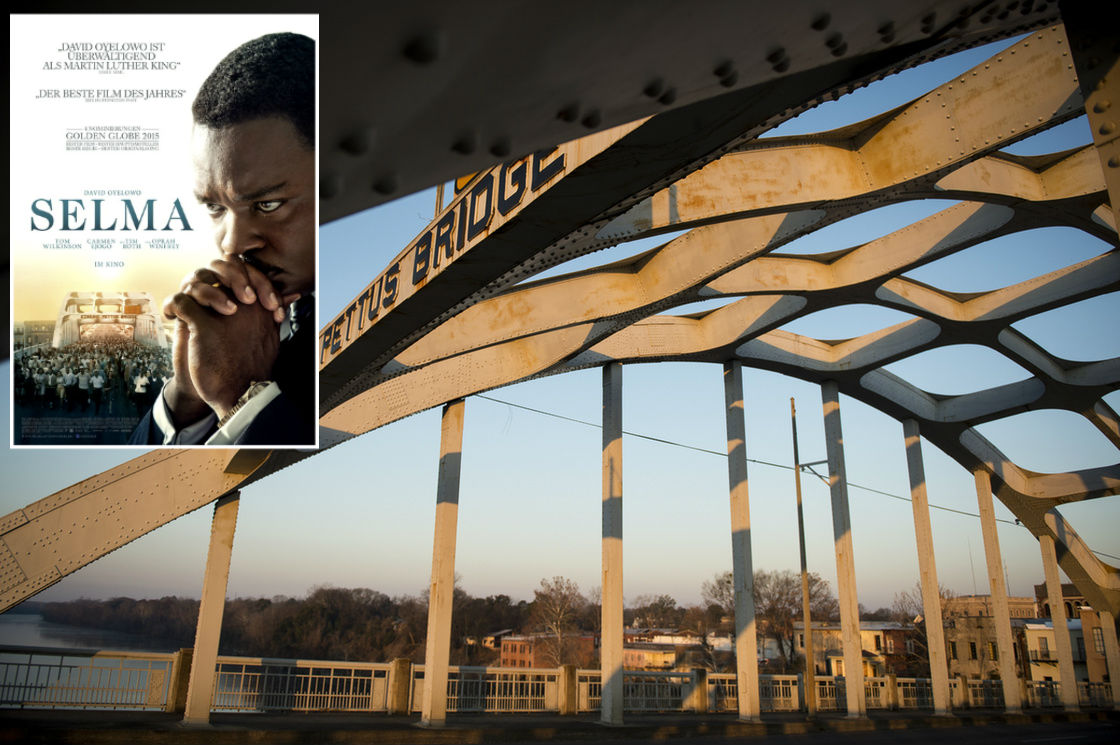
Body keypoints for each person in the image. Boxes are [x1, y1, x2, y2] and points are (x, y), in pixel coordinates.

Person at [130, 32, 315, 446]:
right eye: (214, 207)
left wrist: (241, 399)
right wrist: (188, 395)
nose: (231, 244)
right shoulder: (242, 321)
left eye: (268, 205)